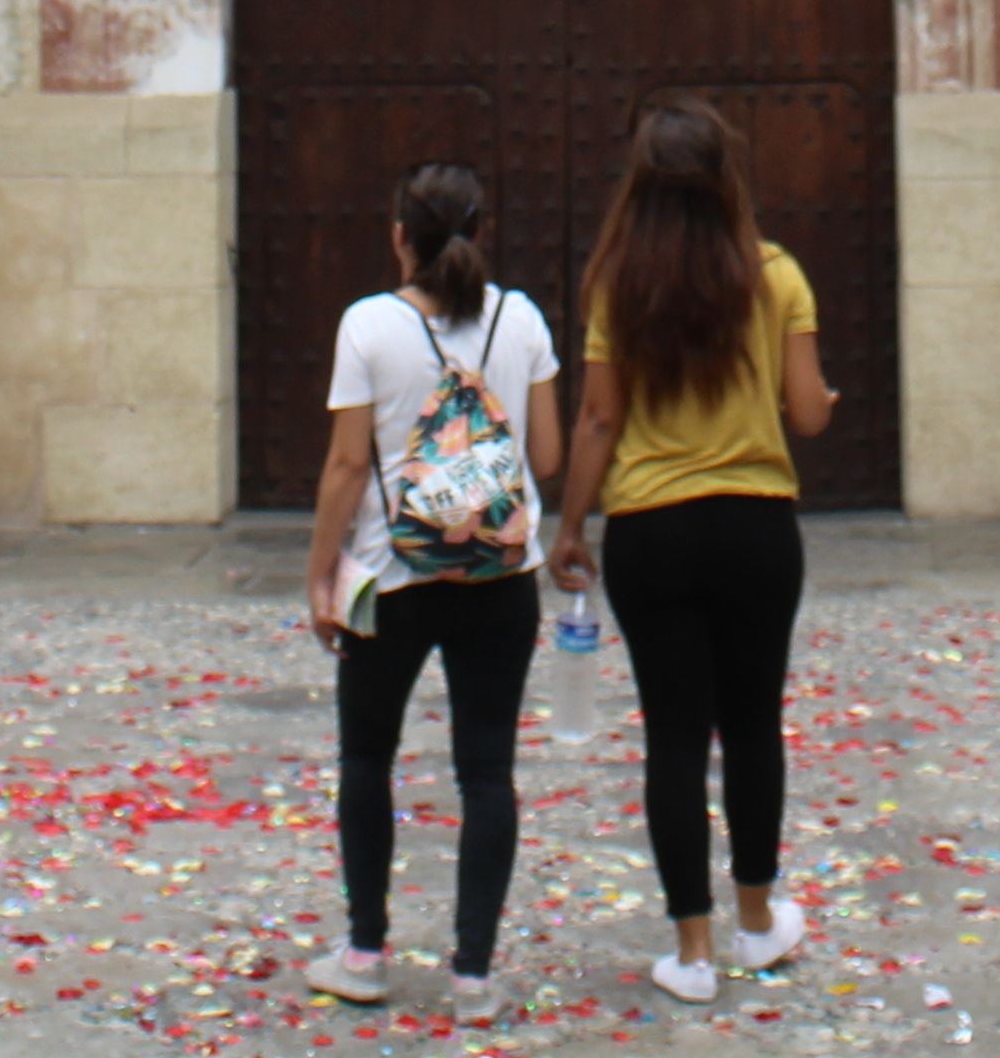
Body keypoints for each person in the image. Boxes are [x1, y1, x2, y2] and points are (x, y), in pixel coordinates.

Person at [546, 100, 837, 1005]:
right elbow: (807, 414)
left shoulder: (617, 285)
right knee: (752, 725)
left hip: (650, 530)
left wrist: (569, 527)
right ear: (726, 177)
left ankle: (692, 950)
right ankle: (758, 923)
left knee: (674, 735)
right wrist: (825, 389)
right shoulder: (776, 277)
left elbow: (598, 416)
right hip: (755, 526)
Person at [301, 162, 562, 1018]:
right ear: (481, 234)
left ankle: (367, 951)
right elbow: (549, 460)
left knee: (367, 759)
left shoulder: (368, 326)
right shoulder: (519, 321)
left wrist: (320, 573)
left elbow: (345, 464)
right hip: (502, 578)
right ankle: (474, 974)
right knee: (487, 771)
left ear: (399, 238)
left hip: (390, 575)